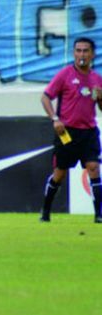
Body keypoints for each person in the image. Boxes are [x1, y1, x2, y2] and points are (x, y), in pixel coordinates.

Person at [40, 37, 102, 224]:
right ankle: (45, 212)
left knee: (94, 168)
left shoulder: (96, 78)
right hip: (66, 132)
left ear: (92, 54)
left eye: (85, 51)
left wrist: (100, 98)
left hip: (89, 132)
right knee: (60, 172)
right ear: (74, 53)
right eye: (78, 50)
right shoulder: (65, 74)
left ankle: (99, 214)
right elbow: (45, 97)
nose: (81, 54)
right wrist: (55, 119)